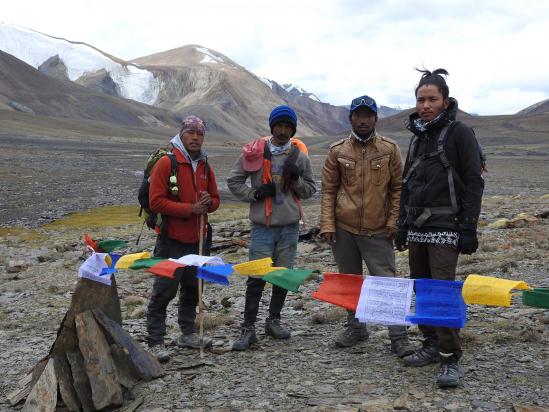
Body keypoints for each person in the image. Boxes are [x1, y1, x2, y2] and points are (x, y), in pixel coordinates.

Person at [395, 68, 484, 387]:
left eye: (432, 99)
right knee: (422, 288)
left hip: (447, 226)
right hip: (417, 227)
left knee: (442, 289)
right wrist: (401, 225)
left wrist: (468, 228)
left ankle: (450, 356)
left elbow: (474, 182)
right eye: (420, 99)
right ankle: (430, 344)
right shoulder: (416, 139)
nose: (425, 105)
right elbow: (406, 183)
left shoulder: (460, 133)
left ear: (445, 102)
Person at [319, 95, 415, 358]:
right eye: (358, 115)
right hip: (344, 228)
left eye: (368, 115)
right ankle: (356, 328)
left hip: (378, 229)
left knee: (387, 282)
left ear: (375, 118)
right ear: (351, 118)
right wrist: (328, 223)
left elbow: (398, 188)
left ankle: (399, 336)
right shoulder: (337, 150)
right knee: (350, 281)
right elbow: (328, 190)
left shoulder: (389, 149)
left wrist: (394, 220)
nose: (363, 120)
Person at [227, 105, 317, 350]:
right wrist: (254, 194)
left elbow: (310, 190)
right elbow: (233, 180)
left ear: (293, 129)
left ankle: (273, 320)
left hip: (289, 226)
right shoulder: (255, 151)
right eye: (279, 125)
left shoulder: (300, 157)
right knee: (256, 276)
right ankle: (248, 328)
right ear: (272, 126)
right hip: (262, 227)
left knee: (282, 276)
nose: (283, 130)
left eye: (288, 127)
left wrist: (296, 179)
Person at [146, 115, 220, 362]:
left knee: (191, 289)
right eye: (191, 133)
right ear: (182, 134)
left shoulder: (205, 166)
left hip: (198, 238)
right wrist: (191, 209)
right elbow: (155, 201)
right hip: (171, 240)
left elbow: (216, 200)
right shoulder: (167, 164)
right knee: (164, 290)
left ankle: (187, 333)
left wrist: (209, 204)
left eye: (200, 134)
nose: (196, 138)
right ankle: (155, 341)